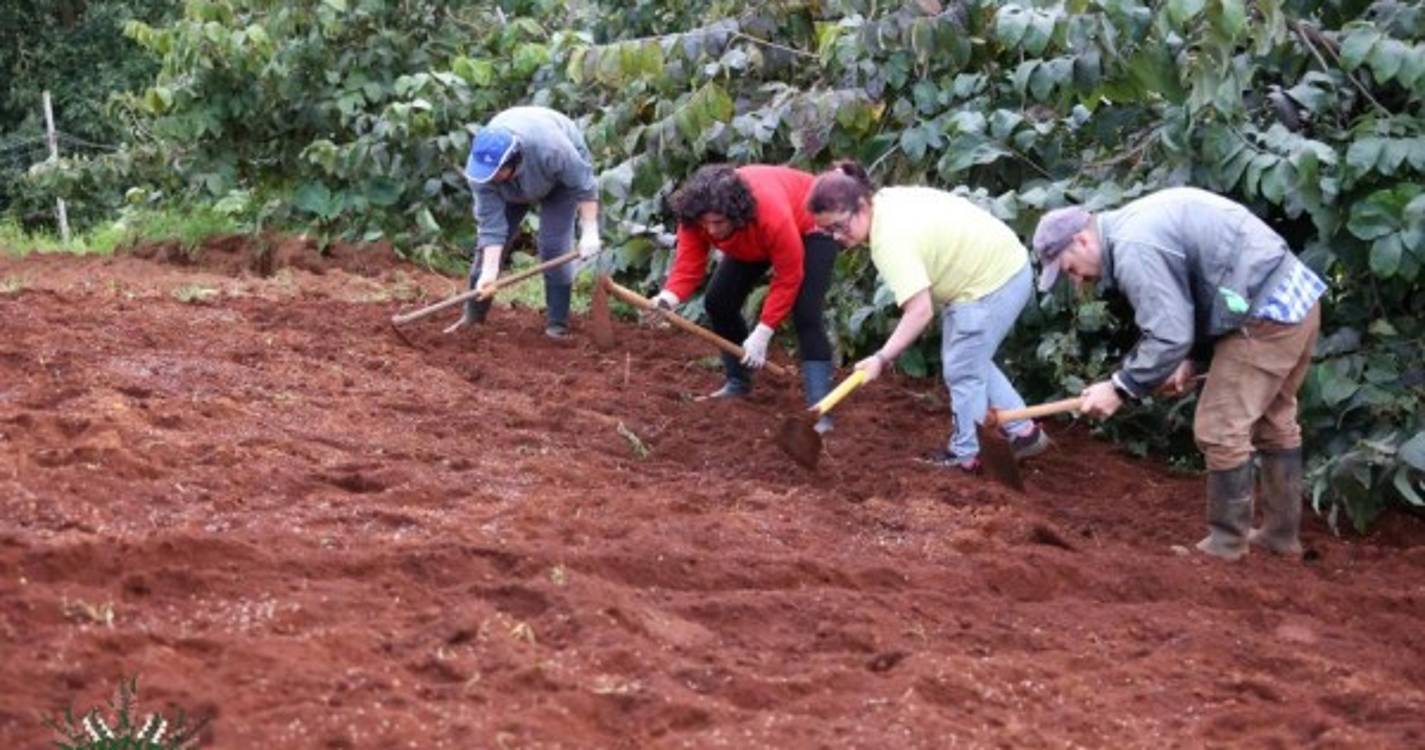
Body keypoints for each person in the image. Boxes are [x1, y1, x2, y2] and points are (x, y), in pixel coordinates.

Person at [1032, 187, 1327, 561]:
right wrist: (1189, 359)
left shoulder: (1132, 247)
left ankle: (1226, 544)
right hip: (1294, 298)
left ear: (1082, 239)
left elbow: (1169, 332)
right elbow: (1201, 289)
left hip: (1264, 314)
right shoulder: (1135, 225)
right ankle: (1279, 536)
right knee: (1274, 420)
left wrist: (1120, 387)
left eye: (1070, 268)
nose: (1076, 279)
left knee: (1220, 427)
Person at [806, 161, 1049, 470]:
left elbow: (920, 311)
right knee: (970, 359)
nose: (836, 237)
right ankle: (1023, 432)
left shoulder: (889, 241)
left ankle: (967, 453)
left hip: (990, 282)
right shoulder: (884, 201)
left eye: (839, 226)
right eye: (827, 231)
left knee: (962, 367)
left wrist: (882, 358)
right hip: (1003, 265)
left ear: (862, 205)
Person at [651, 164, 840, 427]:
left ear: (737, 215)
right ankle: (738, 381)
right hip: (753, 239)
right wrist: (667, 299)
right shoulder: (695, 217)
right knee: (719, 302)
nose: (712, 231)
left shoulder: (770, 215)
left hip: (812, 223)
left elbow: (788, 276)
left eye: (718, 223)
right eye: (706, 224)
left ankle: (822, 410)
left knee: (806, 313)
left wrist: (763, 332)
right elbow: (689, 263)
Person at [446, 106, 602, 339]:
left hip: (560, 181)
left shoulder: (553, 149)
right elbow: (491, 228)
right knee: (487, 252)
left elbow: (585, 185)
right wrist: (489, 272)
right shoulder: (482, 171)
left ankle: (557, 326)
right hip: (515, 185)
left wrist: (590, 230)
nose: (490, 179)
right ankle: (472, 318)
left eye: (496, 173)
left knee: (553, 247)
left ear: (512, 163)